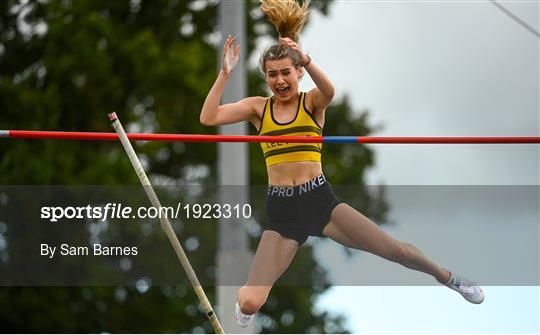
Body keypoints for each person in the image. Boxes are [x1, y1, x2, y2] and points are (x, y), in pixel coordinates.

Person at [200, 0, 484, 328]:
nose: (279, 81)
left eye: (286, 73)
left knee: (398, 253)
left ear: (298, 73)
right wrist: (224, 74)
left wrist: (307, 57)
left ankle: (449, 278)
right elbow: (209, 117)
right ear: (265, 76)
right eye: (272, 74)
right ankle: (247, 305)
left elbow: (330, 90)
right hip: (282, 212)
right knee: (249, 301)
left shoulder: (312, 102)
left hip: (320, 202)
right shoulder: (257, 109)